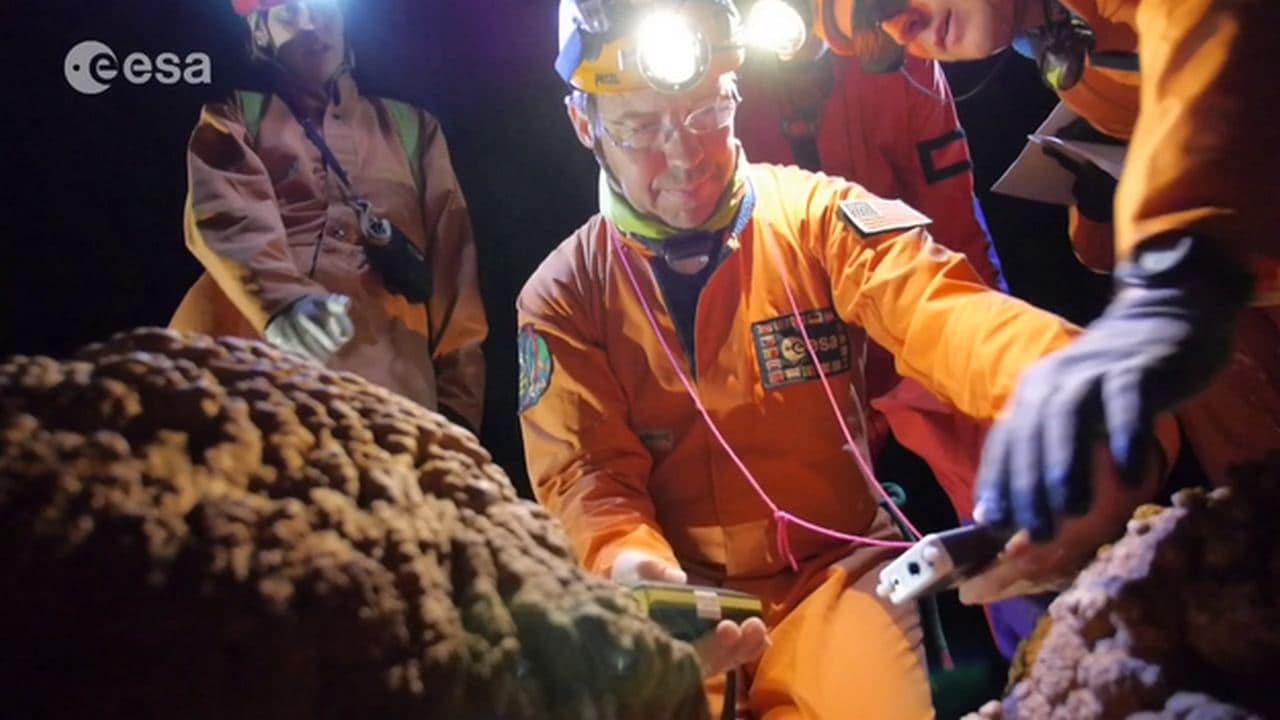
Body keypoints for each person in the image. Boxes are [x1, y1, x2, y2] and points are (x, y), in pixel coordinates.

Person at [519, 1, 1177, 715]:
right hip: (682, 607)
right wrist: (633, 579)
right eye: (641, 128)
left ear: (736, 95)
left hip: (839, 579)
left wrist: (1084, 389)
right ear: (585, 124)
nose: (683, 157)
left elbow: (945, 313)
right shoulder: (563, 298)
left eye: (707, 112)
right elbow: (589, 482)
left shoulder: (816, 219)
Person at [810, 0, 1280, 542]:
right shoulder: (1076, 72)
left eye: (883, 3)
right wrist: (1105, 219)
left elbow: (1204, 20)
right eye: (882, 43)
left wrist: (1172, 276)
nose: (901, 27)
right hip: (1240, 312)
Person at [170, 0, 487, 432]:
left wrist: (458, 414)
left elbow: (454, 275)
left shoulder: (411, 129)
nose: (310, 25)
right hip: (239, 379)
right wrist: (282, 304)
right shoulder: (237, 115)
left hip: (390, 395)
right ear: (262, 32)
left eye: (322, 7)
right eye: (288, 14)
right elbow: (227, 214)